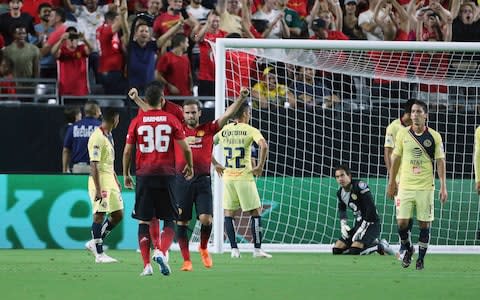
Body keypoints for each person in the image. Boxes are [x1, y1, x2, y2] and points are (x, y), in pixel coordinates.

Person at [174, 88, 250, 271]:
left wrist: (240, 98)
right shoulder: (177, 131)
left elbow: (228, 114)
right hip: (181, 181)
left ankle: (203, 247)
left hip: (202, 181)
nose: (191, 115)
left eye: (194, 112)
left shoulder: (208, 129)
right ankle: (186, 260)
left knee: (206, 219)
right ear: (183, 114)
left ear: (199, 113)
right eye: (188, 112)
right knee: (182, 222)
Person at [122, 82, 194, 277]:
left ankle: (146, 266)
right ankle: (161, 250)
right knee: (170, 219)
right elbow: (186, 147)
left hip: (144, 174)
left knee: (144, 221)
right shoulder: (171, 119)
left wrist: (126, 173)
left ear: (146, 100)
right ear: (162, 100)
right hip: (167, 174)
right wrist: (190, 165)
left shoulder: (138, 120)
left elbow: (128, 150)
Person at [387, 99, 448, 270]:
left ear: (425, 116)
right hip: (405, 186)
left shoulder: (434, 136)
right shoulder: (402, 134)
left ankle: (420, 259)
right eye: (413, 112)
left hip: (425, 188)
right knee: (401, 224)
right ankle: (409, 248)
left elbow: (440, 161)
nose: (415, 115)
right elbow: (395, 158)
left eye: (419, 112)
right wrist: (391, 182)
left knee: (424, 224)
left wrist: (443, 186)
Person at [214, 101, 272, 258]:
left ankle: (234, 250)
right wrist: (259, 166)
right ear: (246, 114)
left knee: (229, 213)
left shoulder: (224, 131)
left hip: (227, 177)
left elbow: (207, 144)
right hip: (244, 177)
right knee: (256, 211)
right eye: (249, 112)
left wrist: (215, 163)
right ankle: (257, 250)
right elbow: (264, 145)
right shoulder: (250, 130)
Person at [84, 107, 123, 263]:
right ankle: (99, 255)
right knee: (99, 215)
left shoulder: (109, 135)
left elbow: (108, 161)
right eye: (118, 119)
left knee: (117, 214)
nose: (119, 121)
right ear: (114, 119)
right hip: (100, 180)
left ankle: (95, 242)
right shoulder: (97, 137)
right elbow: (94, 165)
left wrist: (116, 179)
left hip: (110, 179)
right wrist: (98, 189)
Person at [333, 165, 394, 256]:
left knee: (354, 251)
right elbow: (342, 208)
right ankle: (372, 242)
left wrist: (363, 226)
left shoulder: (360, 186)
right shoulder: (340, 193)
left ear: (349, 176)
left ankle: (380, 246)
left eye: (342, 175)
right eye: (337, 177)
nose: (340, 179)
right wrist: (343, 224)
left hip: (371, 224)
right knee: (337, 249)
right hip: (359, 225)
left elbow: (371, 207)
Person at [384, 99, 415, 259]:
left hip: (413, 177)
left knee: (410, 212)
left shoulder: (416, 129)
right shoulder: (394, 127)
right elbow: (388, 152)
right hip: (398, 179)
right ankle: (404, 246)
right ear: (409, 113)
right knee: (402, 214)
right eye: (416, 112)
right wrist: (392, 178)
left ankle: (407, 245)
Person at [62, 100, 101, 173]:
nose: (100, 113)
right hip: (96, 168)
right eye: (99, 111)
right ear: (96, 111)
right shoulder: (101, 127)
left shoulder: (74, 127)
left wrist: (65, 170)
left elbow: (66, 150)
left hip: (78, 169)